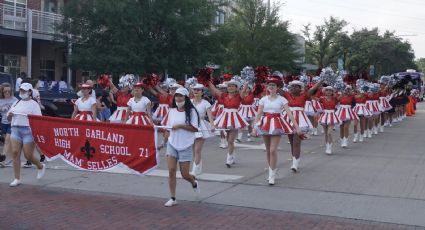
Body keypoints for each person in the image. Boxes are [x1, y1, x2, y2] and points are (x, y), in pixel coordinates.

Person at [252, 75, 301, 185]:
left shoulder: (282, 99)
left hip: (277, 124)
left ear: (277, 87)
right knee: (268, 150)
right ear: (267, 87)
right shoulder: (263, 99)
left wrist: (296, 127)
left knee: (273, 150)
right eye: (269, 85)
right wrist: (255, 128)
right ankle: (271, 170)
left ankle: (272, 175)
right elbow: (259, 114)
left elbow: (289, 113)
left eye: (273, 85)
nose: (271, 87)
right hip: (265, 124)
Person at [161, 87, 200, 207]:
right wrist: (163, 142)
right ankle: (172, 197)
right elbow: (167, 128)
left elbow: (194, 128)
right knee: (171, 171)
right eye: (176, 96)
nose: (178, 98)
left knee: (185, 174)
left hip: (186, 145)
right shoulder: (171, 111)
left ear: (185, 97)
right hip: (172, 144)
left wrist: (180, 126)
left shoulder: (192, 112)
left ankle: (193, 182)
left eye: (180, 96)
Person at [7, 83, 45, 187]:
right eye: (21, 90)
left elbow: (39, 120)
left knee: (28, 155)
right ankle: (17, 178)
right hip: (15, 130)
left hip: (28, 131)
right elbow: (8, 118)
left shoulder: (34, 104)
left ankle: (40, 166)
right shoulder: (16, 103)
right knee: (15, 153)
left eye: (24, 90)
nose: (22, 92)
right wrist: (10, 115)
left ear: (29, 92)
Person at [281, 80, 322, 172]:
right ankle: (295, 160)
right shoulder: (287, 95)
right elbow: (277, 88)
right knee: (291, 142)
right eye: (292, 86)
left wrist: (320, 81)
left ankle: (295, 164)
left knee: (296, 143)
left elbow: (313, 89)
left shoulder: (304, 96)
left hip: (300, 121)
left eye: (296, 86)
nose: (293, 88)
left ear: (300, 89)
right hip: (288, 119)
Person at [208, 79, 249, 167]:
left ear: (236, 88)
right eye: (229, 86)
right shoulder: (224, 95)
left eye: (233, 86)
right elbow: (215, 90)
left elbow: (244, 88)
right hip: (225, 117)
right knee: (228, 139)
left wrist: (247, 80)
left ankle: (229, 159)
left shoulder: (239, 96)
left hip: (234, 118)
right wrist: (207, 81)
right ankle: (232, 155)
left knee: (230, 141)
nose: (230, 88)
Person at [190, 83, 215, 176]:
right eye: (195, 90)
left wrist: (212, 125)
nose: (196, 91)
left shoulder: (206, 103)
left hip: (201, 126)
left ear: (202, 92)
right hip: (191, 126)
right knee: (193, 150)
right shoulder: (189, 102)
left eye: (198, 90)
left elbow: (210, 116)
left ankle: (195, 169)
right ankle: (198, 167)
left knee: (197, 150)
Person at [318, 86, 342, 154]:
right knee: (326, 134)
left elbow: (341, 95)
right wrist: (319, 89)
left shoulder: (335, 99)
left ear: (332, 92)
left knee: (329, 133)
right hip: (325, 115)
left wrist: (341, 88)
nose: (328, 92)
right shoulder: (322, 98)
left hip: (332, 115)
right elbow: (313, 97)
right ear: (324, 92)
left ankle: (329, 148)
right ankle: (327, 146)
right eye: (327, 90)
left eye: (330, 90)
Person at [0, 83, 18, 167]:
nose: (7, 93)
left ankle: (2, 160)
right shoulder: (1, 100)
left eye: (8, 91)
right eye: (5, 91)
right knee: (7, 141)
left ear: (11, 91)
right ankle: (12, 157)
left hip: (12, 122)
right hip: (3, 123)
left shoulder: (15, 100)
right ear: (2, 92)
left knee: (7, 140)